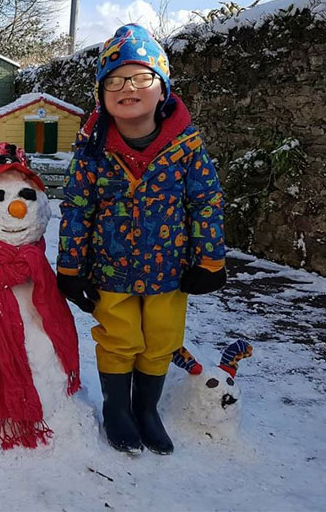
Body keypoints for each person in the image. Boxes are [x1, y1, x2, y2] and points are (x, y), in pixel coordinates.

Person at [56, 24, 226, 455]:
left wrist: (210, 260)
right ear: (102, 93)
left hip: (171, 271)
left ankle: (145, 408)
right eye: (113, 80)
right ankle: (118, 408)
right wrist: (70, 267)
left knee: (162, 339)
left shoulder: (186, 146)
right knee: (119, 337)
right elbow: (77, 206)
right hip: (110, 270)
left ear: (162, 86)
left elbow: (205, 201)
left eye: (140, 77)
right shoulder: (93, 149)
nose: (126, 87)